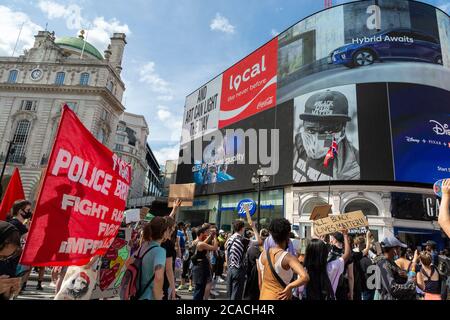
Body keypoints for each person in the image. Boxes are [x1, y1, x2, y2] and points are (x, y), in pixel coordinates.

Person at [293, 89, 360, 183]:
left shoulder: (354, 162)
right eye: (311, 129)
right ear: (304, 124)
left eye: (327, 130)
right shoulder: (297, 141)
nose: (317, 138)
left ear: (342, 129)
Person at [258, 219, 309, 300]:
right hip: (280, 297)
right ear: (288, 235)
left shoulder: (262, 255)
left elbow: (260, 282)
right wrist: (290, 286)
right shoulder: (288, 257)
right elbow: (305, 277)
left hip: (264, 296)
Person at [300, 230, 351, 300]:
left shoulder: (303, 271)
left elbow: (299, 291)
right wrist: (345, 235)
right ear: (325, 253)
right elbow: (347, 254)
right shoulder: (331, 267)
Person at [138, 216, 172, 300]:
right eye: (169, 229)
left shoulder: (144, 247)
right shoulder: (160, 251)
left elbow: (128, 263)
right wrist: (158, 296)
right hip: (149, 296)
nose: (170, 231)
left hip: (138, 294)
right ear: (164, 232)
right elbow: (159, 276)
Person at [226, 219, 259, 300]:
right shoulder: (242, 240)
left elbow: (227, 252)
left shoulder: (230, 239)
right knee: (236, 295)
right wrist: (254, 228)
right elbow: (259, 241)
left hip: (230, 268)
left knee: (230, 294)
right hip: (238, 269)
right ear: (242, 228)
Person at [377, 236, 416, 300]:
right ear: (394, 250)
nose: (400, 251)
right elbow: (393, 288)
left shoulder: (390, 262)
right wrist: (410, 283)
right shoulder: (383, 263)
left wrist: (407, 275)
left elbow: (401, 274)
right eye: (399, 248)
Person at [191, 226, 218, 300]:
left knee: (199, 288)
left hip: (197, 266)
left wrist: (210, 236)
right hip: (201, 267)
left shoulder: (195, 242)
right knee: (199, 290)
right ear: (201, 234)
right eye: (206, 233)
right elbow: (215, 247)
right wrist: (215, 237)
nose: (207, 234)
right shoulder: (200, 244)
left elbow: (204, 242)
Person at [243, 229, 269, 300]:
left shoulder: (250, 248)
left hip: (249, 275)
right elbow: (259, 268)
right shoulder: (257, 250)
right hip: (255, 277)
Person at [328, 232, 354, 300]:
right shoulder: (348, 255)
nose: (331, 240)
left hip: (328, 285)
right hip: (341, 287)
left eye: (332, 238)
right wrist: (351, 294)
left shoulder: (327, 250)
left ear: (335, 240)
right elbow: (350, 276)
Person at [0, 221, 21, 300]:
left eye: (6, 257)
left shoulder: (6, 264)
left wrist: (8, 292)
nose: (2, 260)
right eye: (0, 256)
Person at [161, 217, 177, 300]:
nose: (174, 229)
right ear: (168, 228)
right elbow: (168, 269)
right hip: (161, 282)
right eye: (173, 227)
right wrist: (173, 289)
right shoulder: (167, 243)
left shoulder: (152, 240)